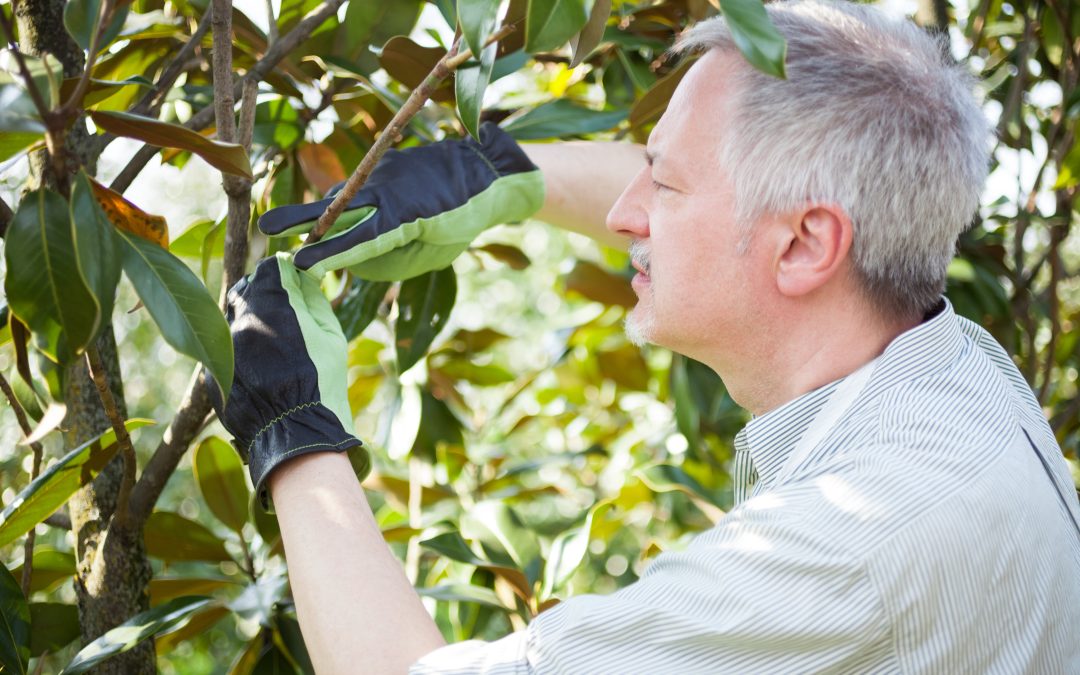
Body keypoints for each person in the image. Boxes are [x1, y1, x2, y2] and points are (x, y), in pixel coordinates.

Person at [211, 0, 1080, 672]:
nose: (627, 214)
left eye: (661, 184)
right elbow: (736, 207)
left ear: (808, 244)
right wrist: (499, 175)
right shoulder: (951, 372)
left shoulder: (852, 546)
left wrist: (294, 429)